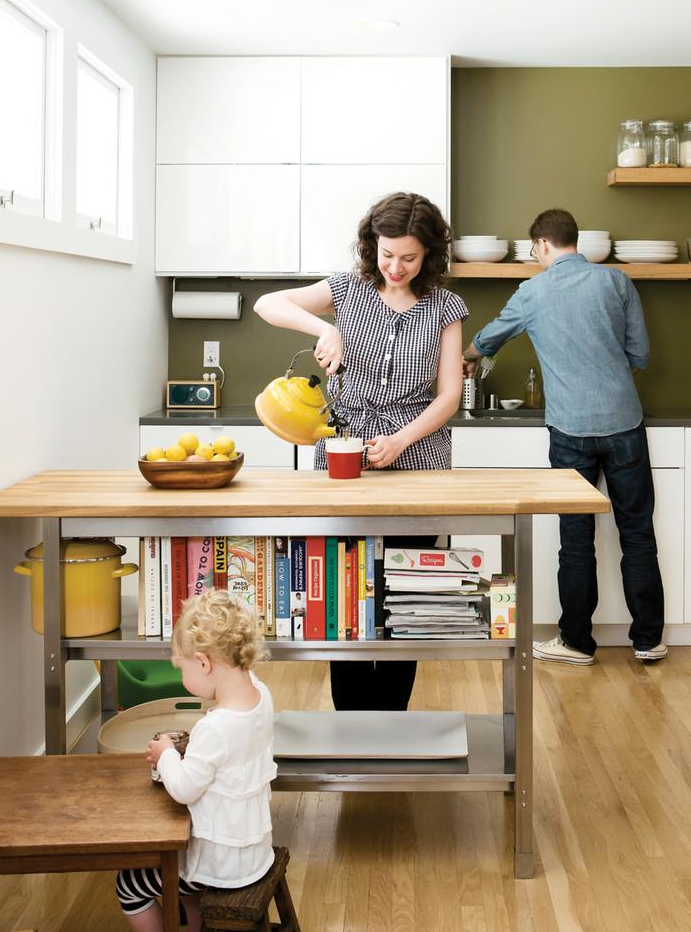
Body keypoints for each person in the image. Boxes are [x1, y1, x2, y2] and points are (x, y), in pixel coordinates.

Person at [254, 191, 468, 710]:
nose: (395, 266)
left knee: (405, 595)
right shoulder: (346, 291)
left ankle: (390, 722)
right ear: (372, 244)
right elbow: (268, 304)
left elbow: (450, 395)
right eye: (386, 252)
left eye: (409, 257)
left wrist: (401, 440)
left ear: (430, 256)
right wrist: (325, 327)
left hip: (420, 459)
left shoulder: (445, 307)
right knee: (341, 593)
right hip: (346, 459)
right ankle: (352, 723)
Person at [463, 208, 666, 666]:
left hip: (570, 432)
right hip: (625, 425)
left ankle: (576, 642)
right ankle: (648, 641)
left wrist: (469, 358)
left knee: (576, 540)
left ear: (541, 246)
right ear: (575, 241)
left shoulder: (532, 292)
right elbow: (641, 353)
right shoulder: (617, 282)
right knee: (638, 534)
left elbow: (489, 338)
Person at [116, 590, 276, 932]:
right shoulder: (261, 695)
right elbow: (230, 762)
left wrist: (167, 754)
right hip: (252, 848)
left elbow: (185, 789)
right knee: (178, 876)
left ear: (204, 663)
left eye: (182, 669)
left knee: (129, 883)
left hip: (219, 863)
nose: (182, 676)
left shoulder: (215, 727)